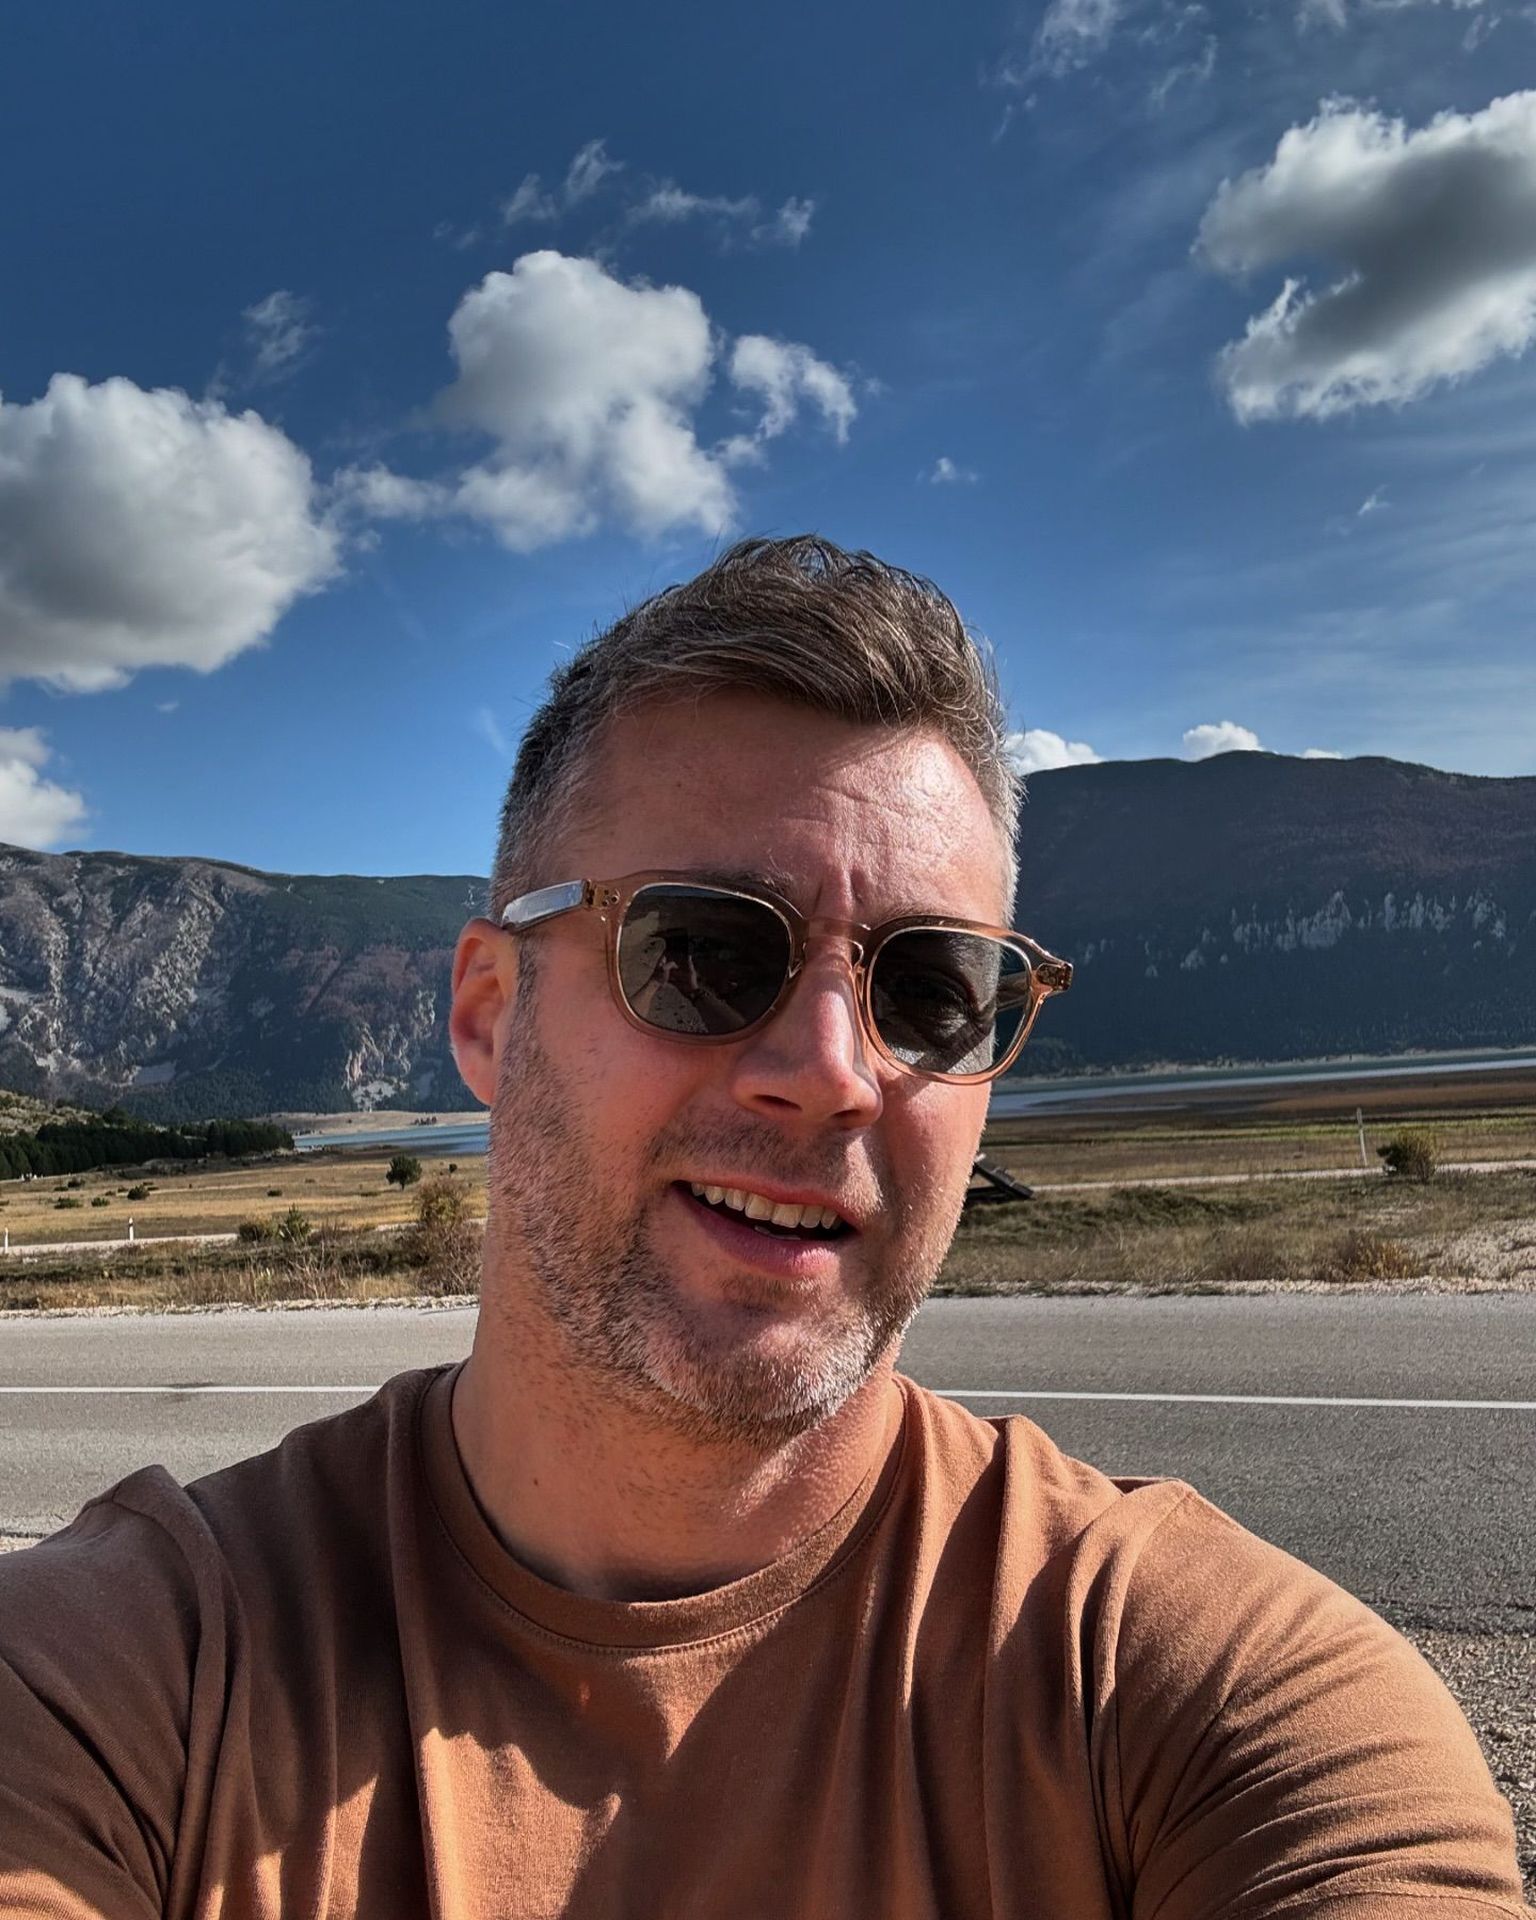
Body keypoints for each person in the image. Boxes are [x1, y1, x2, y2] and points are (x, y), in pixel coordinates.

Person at [0, 536, 1527, 1919]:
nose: (832, 1072)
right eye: (704, 952)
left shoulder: (1187, 1682)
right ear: (488, 1011)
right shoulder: (126, 1677)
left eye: (930, 990)